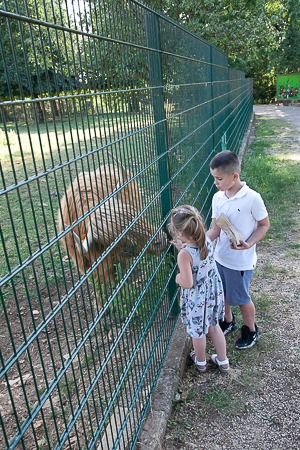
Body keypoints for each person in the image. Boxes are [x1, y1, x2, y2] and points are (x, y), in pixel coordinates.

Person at [207, 150, 270, 349]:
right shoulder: (218, 198)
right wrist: (198, 241)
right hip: (220, 257)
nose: (215, 183)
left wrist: (249, 243)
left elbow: (264, 225)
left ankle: (251, 330)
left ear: (234, 176)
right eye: (214, 178)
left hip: (240, 261)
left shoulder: (252, 198)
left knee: (241, 298)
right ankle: (228, 319)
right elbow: (215, 229)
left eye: (219, 179)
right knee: (222, 293)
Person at [169, 205, 229, 374]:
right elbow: (197, 257)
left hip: (197, 297)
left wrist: (177, 278)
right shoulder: (206, 240)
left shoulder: (184, 255)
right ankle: (223, 361)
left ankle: (201, 362)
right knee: (213, 326)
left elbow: (188, 282)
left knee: (198, 331)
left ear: (179, 233)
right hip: (212, 292)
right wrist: (183, 246)